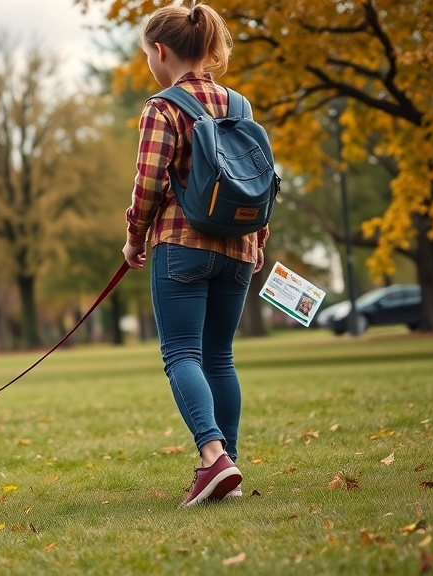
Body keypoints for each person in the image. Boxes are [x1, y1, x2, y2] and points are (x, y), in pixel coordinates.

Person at [121, 2, 269, 506]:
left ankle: (213, 458)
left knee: (182, 354)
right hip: (240, 247)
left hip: (181, 246)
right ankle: (227, 471)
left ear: (160, 52)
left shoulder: (162, 107)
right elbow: (261, 180)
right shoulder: (240, 107)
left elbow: (148, 182)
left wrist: (133, 237)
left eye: (147, 55)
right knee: (220, 358)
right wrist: (257, 242)